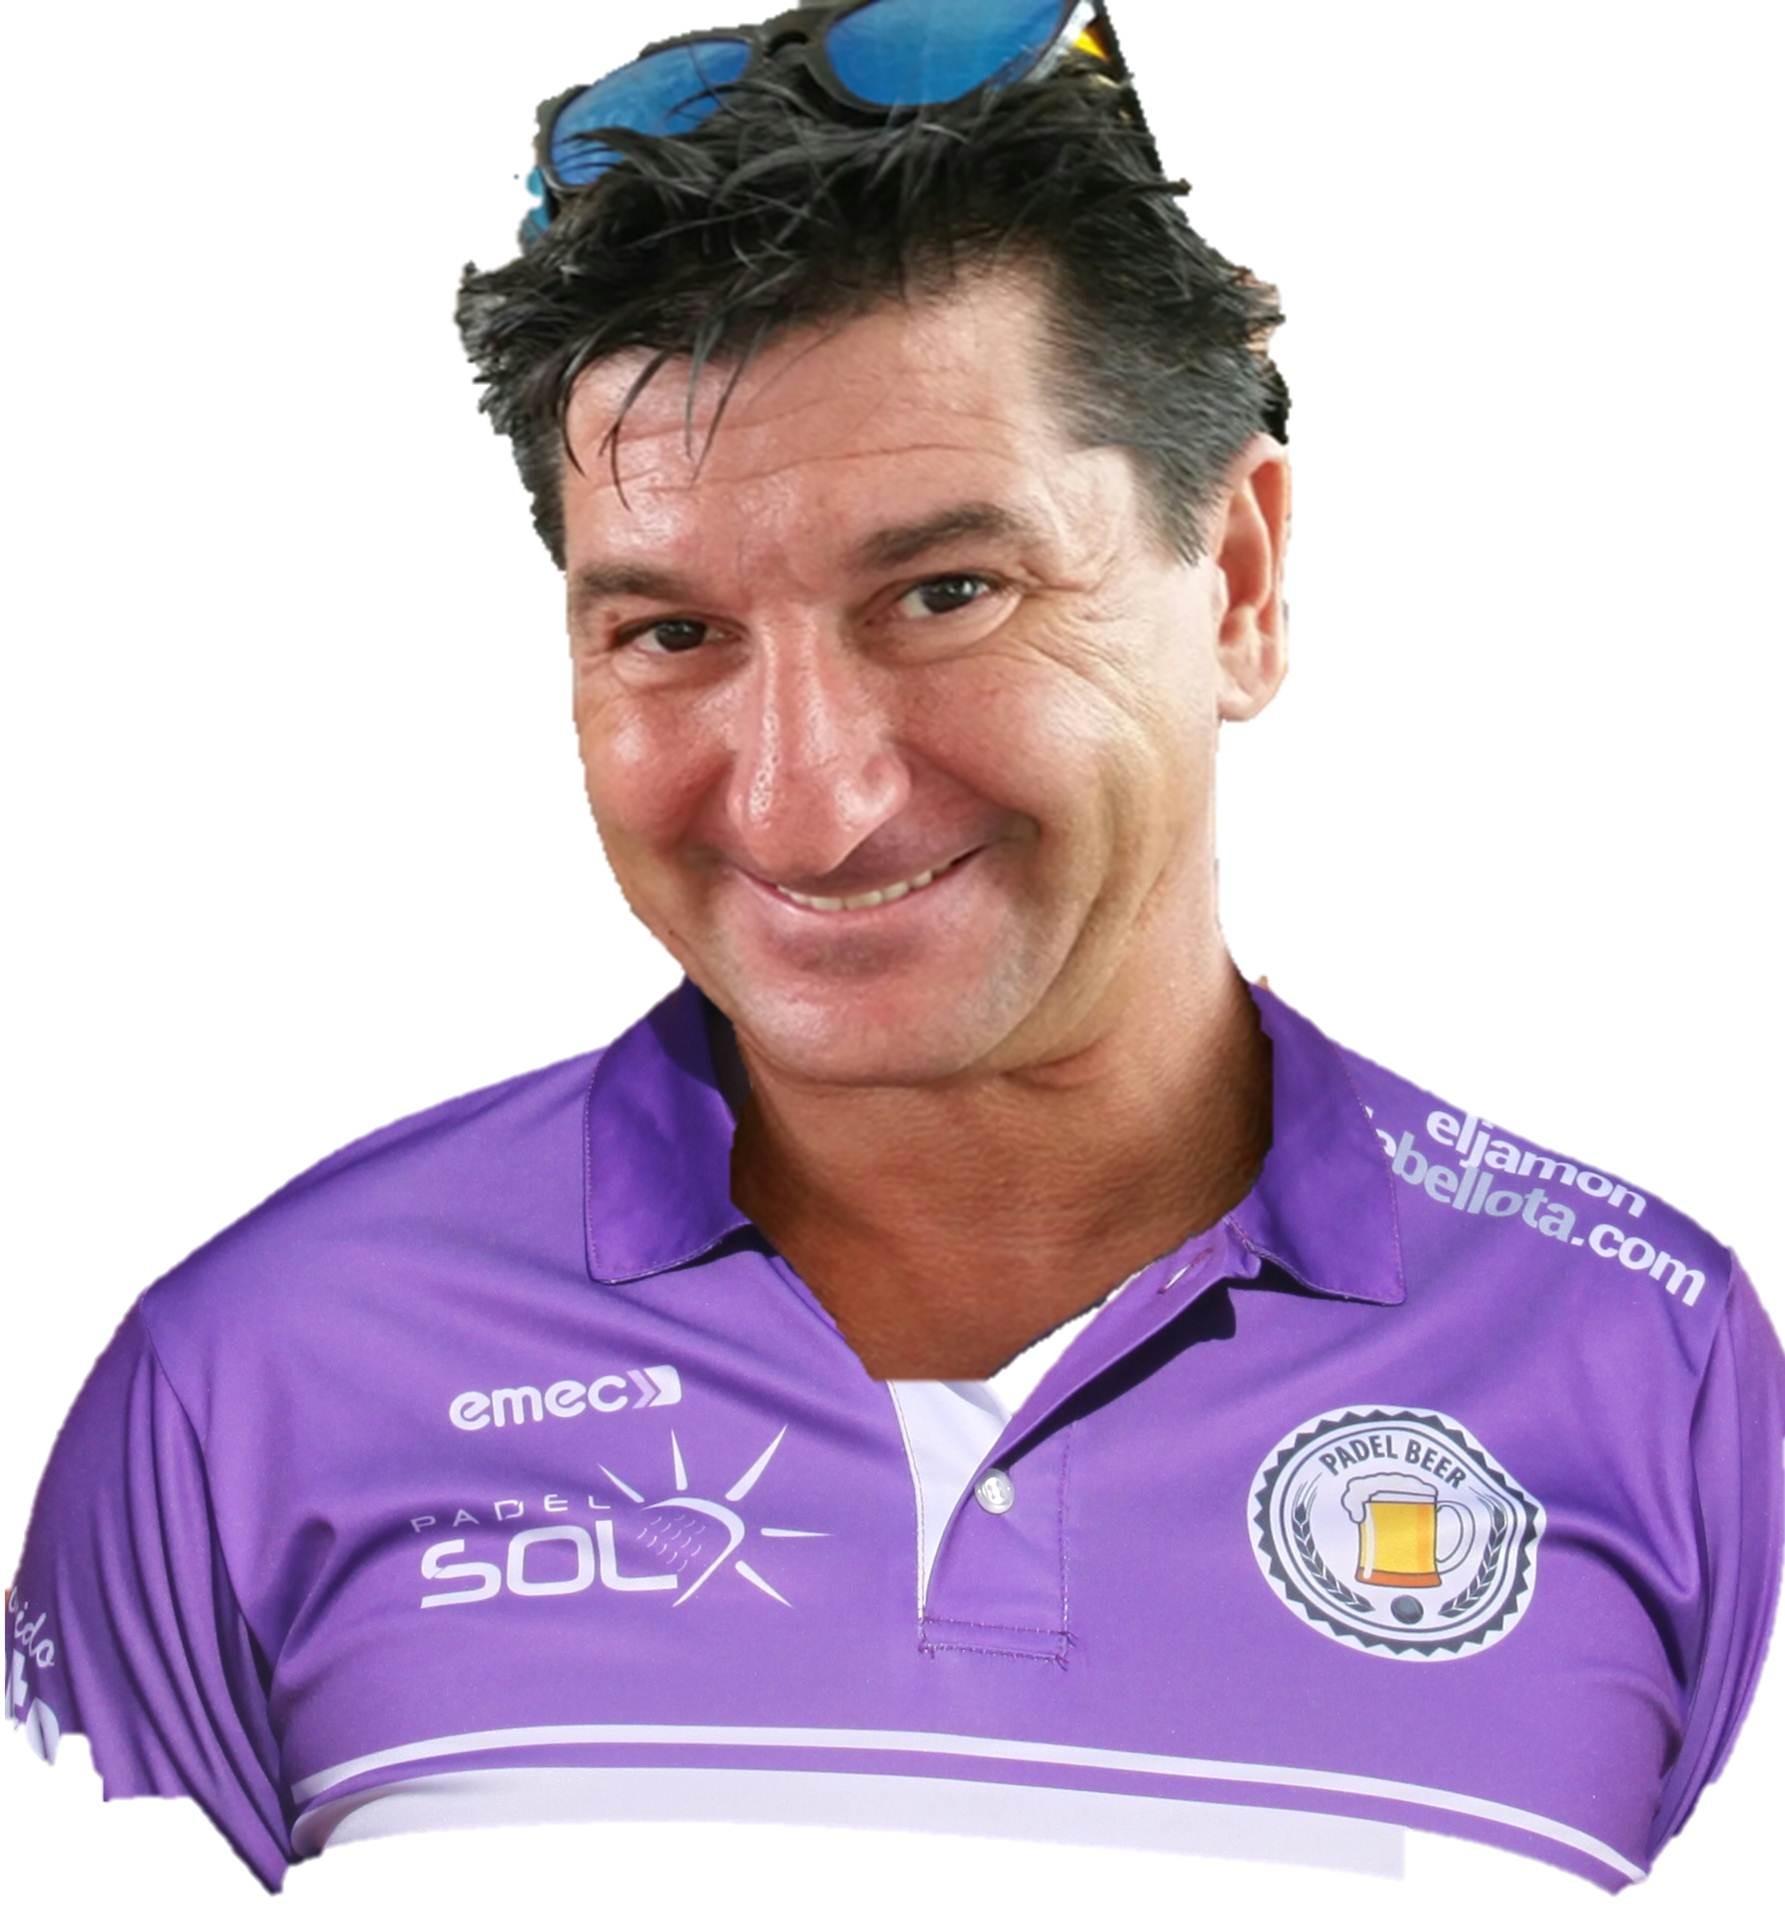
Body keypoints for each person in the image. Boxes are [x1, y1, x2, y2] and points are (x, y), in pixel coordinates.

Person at [6, 0, 1780, 1907]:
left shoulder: (1663, 1374)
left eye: (946, 592)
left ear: (1240, 585)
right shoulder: (253, 1377)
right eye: (670, 634)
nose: (805, 800)